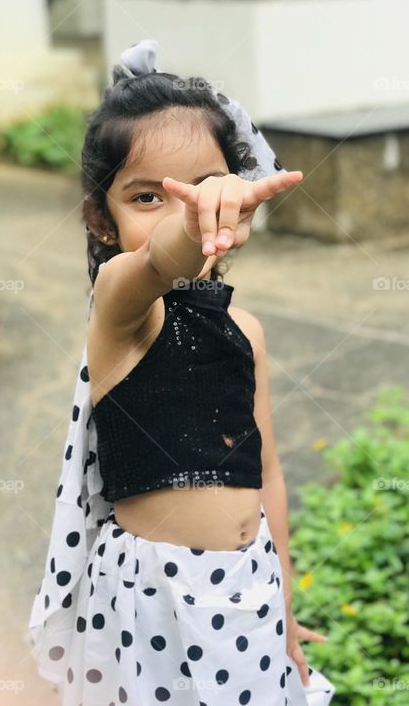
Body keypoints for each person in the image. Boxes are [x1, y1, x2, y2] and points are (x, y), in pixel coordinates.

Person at [26, 39, 336, 706]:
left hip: (246, 591)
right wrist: (196, 222)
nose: (184, 211)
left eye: (206, 189)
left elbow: (268, 472)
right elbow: (163, 259)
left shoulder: (245, 330)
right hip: (149, 605)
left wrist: (280, 593)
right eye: (147, 197)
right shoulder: (121, 310)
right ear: (100, 220)